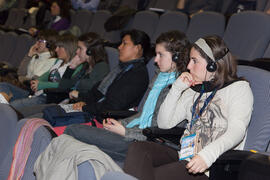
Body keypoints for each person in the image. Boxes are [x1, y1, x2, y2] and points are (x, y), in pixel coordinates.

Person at [123, 35, 254, 180]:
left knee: (152, 175)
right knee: (139, 148)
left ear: (213, 65)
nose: (189, 66)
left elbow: (237, 131)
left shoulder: (239, 88)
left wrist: (207, 156)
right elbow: (165, 123)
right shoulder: (194, 90)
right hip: (184, 156)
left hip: (212, 166)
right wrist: (177, 89)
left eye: (195, 61)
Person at [64, 30, 190, 162]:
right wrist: (120, 123)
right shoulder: (159, 77)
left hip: (145, 142)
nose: (155, 60)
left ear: (176, 57)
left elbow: (161, 128)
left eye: (160, 55)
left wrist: (125, 131)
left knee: (73, 131)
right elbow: (142, 115)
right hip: (134, 132)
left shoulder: (181, 87)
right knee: (73, 138)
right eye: (155, 54)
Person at [17, 32, 111, 116]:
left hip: (81, 108)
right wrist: (71, 67)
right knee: (23, 112)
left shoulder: (101, 67)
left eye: (80, 48)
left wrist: (77, 93)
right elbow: (63, 86)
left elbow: (92, 92)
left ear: (90, 51)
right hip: (68, 104)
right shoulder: (85, 66)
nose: (77, 51)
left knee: (29, 116)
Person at [0, 34, 79, 109]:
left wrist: (41, 84)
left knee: (12, 106)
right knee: (3, 86)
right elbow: (46, 75)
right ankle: (3, 108)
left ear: (68, 48)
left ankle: (4, 110)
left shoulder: (73, 66)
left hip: (47, 98)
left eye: (59, 47)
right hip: (35, 92)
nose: (56, 49)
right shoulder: (58, 61)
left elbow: (64, 85)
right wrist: (37, 81)